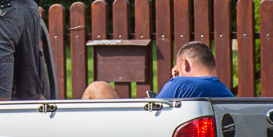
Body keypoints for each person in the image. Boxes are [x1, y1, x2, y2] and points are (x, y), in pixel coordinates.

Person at [81, 40, 233, 100]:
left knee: (98, 87)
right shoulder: (225, 94)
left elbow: (154, 116)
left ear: (185, 63)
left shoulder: (182, 84)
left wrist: (176, 79)